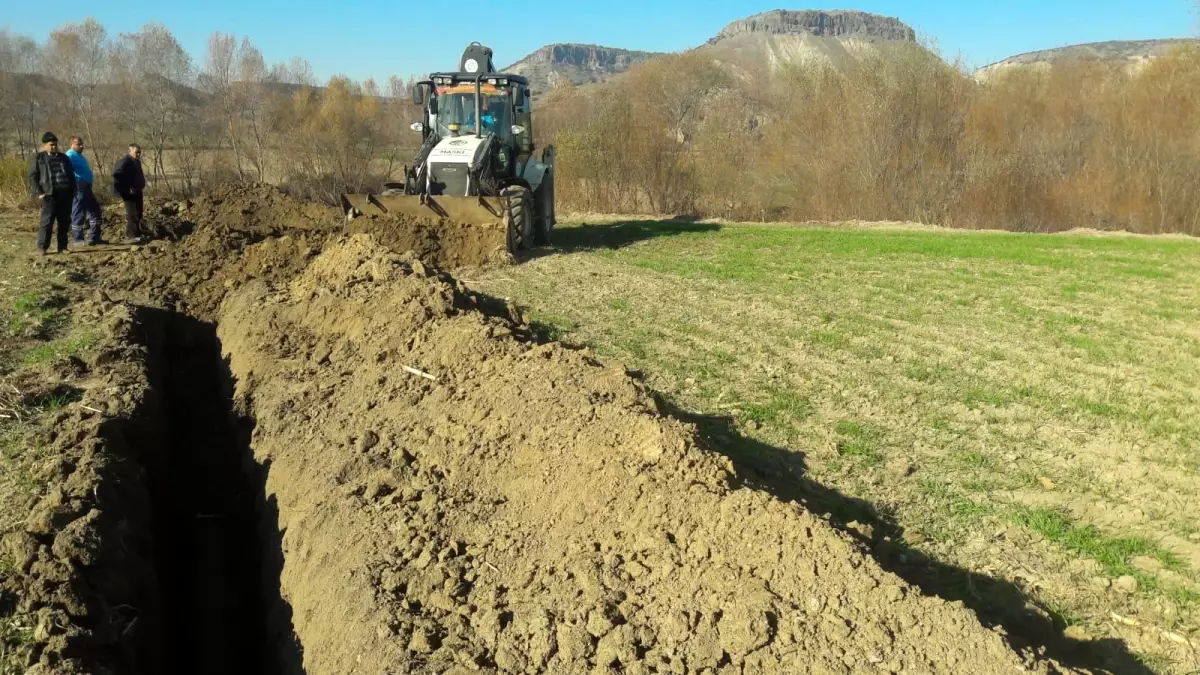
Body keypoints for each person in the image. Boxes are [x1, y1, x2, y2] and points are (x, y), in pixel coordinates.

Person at [26, 132, 76, 255]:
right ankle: (42, 248)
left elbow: (71, 175)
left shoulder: (64, 158)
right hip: (49, 194)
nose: (54, 147)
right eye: (51, 144)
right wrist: (39, 192)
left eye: (55, 144)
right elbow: (32, 176)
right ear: (45, 145)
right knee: (47, 222)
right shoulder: (39, 158)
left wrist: (73, 190)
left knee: (64, 222)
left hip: (65, 194)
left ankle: (62, 247)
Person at [65, 136, 105, 245]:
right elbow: (66, 171)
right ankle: (78, 239)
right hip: (79, 187)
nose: (82, 146)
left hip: (87, 187)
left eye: (82, 144)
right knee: (78, 212)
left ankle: (95, 237)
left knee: (94, 210)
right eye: (79, 144)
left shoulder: (79, 156)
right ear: (72, 145)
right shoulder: (69, 156)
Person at [112, 144, 146, 244]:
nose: (138, 154)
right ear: (129, 151)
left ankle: (136, 234)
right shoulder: (125, 162)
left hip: (137, 191)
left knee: (138, 213)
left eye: (139, 152)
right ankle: (132, 236)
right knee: (133, 213)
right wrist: (126, 188)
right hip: (130, 192)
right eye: (136, 152)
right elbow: (117, 174)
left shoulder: (136, 161)